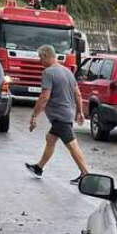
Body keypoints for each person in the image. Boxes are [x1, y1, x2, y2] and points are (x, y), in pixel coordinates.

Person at [25, 45, 90, 183]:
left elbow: (44, 97)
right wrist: (80, 111)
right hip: (67, 113)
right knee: (50, 139)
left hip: (60, 116)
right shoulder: (67, 72)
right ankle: (39, 167)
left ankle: (85, 174)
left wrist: (34, 115)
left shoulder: (48, 73)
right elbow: (77, 93)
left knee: (72, 144)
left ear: (45, 56)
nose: (39, 61)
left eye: (40, 57)